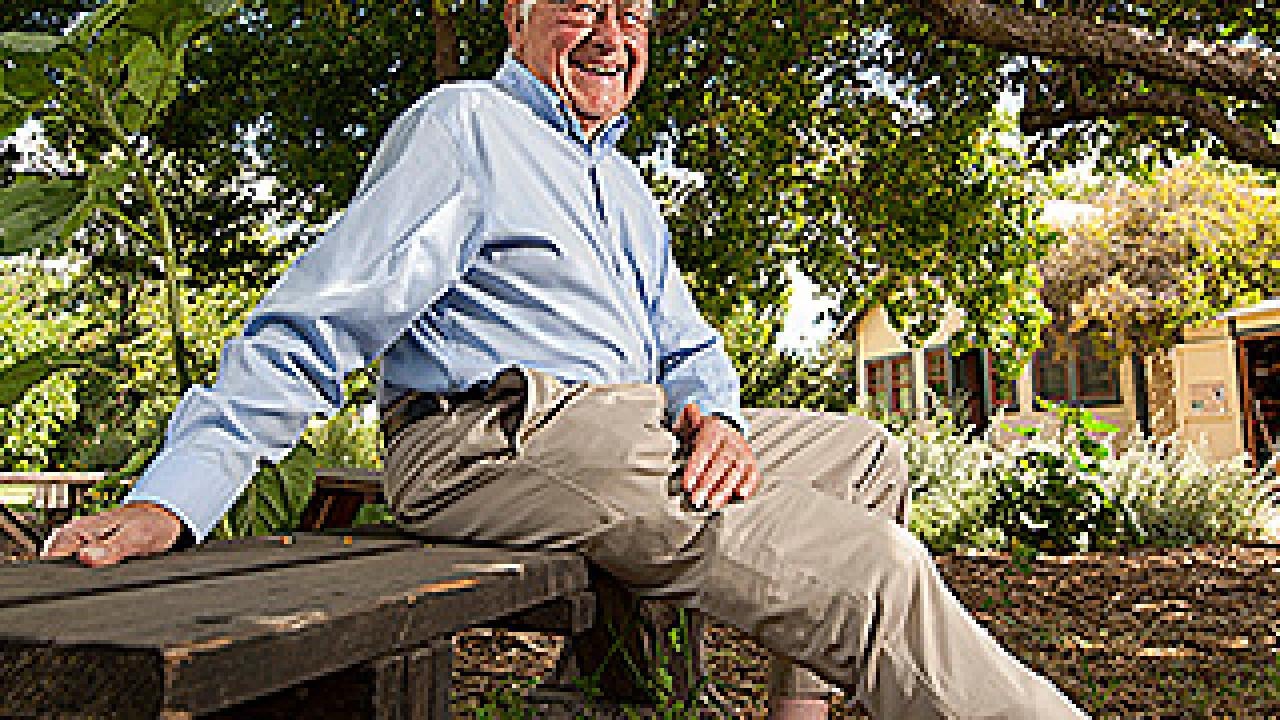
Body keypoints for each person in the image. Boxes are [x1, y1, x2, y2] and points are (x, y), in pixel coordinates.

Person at [43, 1, 1091, 718]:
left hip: (618, 428)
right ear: (514, 14)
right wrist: (175, 501)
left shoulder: (623, 186)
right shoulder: (465, 126)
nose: (609, 33)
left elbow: (687, 345)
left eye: (630, 13)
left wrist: (712, 415)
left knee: (865, 455)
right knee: (876, 574)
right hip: (492, 437)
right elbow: (324, 319)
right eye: (579, 6)